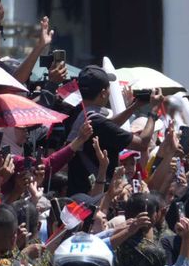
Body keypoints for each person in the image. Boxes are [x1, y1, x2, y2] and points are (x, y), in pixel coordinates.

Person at [66, 66, 159, 196]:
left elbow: (109, 126)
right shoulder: (97, 122)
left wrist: (134, 106)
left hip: (78, 193)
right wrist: (153, 113)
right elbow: (142, 144)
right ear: (103, 93)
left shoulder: (77, 113)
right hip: (94, 197)